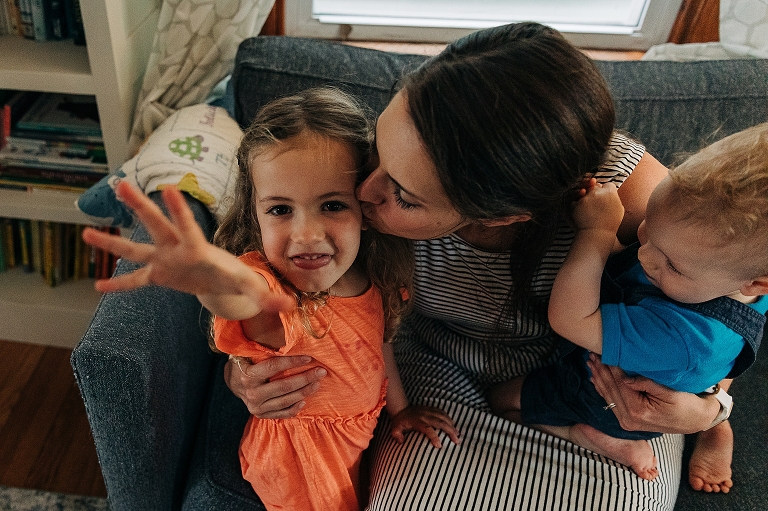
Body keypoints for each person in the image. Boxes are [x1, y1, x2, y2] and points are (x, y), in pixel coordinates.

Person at [224, 23, 734, 510]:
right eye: (378, 151)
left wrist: (710, 407)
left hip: (582, 378)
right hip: (434, 360)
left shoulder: (631, 199)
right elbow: (278, 295)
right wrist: (243, 374)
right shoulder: (386, 152)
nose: (364, 191)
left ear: (505, 216)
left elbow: (735, 299)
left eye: (404, 196)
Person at [83, 87, 459, 511]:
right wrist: (208, 274)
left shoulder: (372, 276)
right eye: (280, 210)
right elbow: (244, 294)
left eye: (332, 205)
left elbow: (380, 346)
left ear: (366, 209)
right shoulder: (275, 291)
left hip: (357, 436)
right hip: (300, 465)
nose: (306, 234)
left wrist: (402, 410)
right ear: (255, 214)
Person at [488, 123, 768, 485]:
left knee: (500, 401)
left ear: (757, 282)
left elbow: (570, 319)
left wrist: (598, 232)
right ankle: (716, 423)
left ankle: (592, 437)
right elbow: (634, 271)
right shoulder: (731, 271)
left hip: (611, 400)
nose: (646, 256)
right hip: (688, 380)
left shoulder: (682, 337)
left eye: (670, 264)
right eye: (649, 226)